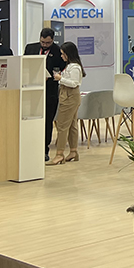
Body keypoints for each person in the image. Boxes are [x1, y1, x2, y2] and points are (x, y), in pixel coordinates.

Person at [24, 28, 66, 162]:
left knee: (47, 122)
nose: (45, 45)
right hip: (31, 90)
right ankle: (29, 148)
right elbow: (25, 65)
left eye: (48, 43)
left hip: (50, 92)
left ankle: (44, 150)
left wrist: (53, 76)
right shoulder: (30, 48)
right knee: (30, 120)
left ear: (52, 40)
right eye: (42, 42)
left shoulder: (58, 51)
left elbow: (61, 70)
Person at [47, 42, 85, 166]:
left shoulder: (74, 67)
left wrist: (60, 79)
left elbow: (74, 83)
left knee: (62, 126)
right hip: (69, 96)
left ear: (69, 54)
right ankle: (73, 151)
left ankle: (59, 154)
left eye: (63, 54)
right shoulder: (71, 66)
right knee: (72, 125)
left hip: (69, 97)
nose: (61, 56)